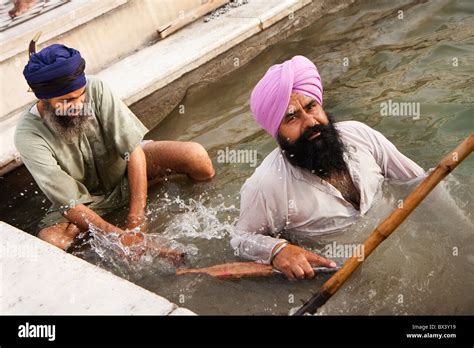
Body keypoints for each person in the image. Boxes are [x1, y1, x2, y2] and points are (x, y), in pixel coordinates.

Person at [231, 55, 425, 280]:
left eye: (311, 107)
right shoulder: (267, 184)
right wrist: (277, 251)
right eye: (292, 117)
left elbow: (420, 184)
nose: (310, 121)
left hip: (407, 251)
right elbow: (240, 238)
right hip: (344, 277)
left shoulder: (361, 135)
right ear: (277, 132)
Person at [15, 43, 215, 252]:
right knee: (52, 242)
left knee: (196, 156)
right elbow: (70, 204)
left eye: (81, 95)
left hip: (125, 175)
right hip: (87, 202)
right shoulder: (28, 135)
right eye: (67, 100)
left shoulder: (97, 89)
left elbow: (134, 151)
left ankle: (194, 198)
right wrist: (125, 241)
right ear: (43, 99)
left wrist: (136, 219)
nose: (78, 104)